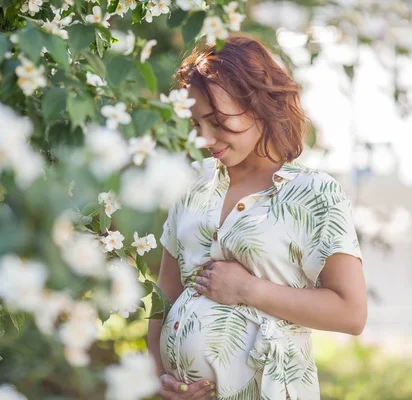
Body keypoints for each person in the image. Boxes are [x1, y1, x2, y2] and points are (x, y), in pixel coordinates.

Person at [147, 34, 367, 400]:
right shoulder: (191, 185)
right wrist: (159, 376)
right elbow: (165, 294)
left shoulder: (314, 194)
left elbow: (351, 313)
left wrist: (249, 289)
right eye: (196, 124)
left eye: (217, 121)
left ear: (260, 103)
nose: (205, 138)